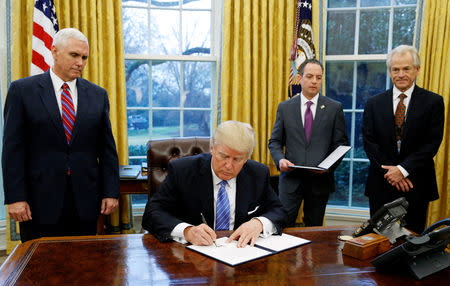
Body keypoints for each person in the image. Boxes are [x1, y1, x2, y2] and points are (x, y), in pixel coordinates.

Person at [2, 28, 120, 242]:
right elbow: (12, 150)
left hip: (85, 199)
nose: (80, 63)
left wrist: (110, 192)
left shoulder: (98, 95)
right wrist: (16, 198)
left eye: (84, 57)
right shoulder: (22, 91)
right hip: (38, 201)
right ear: (54, 51)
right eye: (74, 55)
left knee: (83, 267)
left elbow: (107, 149)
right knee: (39, 268)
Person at [142, 120, 286, 247]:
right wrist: (187, 231)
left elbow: (278, 210)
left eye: (237, 159)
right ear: (212, 148)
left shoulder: (258, 173)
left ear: (246, 158)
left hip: (239, 253)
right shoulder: (182, 171)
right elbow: (152, 213)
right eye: (223, 156)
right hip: (192, 257)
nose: (228, 165)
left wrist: (259, 223)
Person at [362, 45, 444, 234]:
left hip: (416, 184)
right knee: (379, 240)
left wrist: (403, 170)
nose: (401, 74)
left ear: (417, 69)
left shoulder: (433, 102)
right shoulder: (373, 103)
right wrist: (393, 173)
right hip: (381, 183)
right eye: (395, 69)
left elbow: (432, 143)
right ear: (389, 72)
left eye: (406, 68)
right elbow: (369, 142)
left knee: (412, 242)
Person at [268, 59, 348, 227]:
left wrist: (327, 167)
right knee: (282, 226)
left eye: (318, 77)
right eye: (310, 76)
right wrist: (280, 160)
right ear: (300, 78)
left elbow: (340, 145)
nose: (314, 81)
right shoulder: (285, 107)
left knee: (314, 229)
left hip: (320, 183)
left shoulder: (334, 108)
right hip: (290, 180)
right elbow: (275, 141)